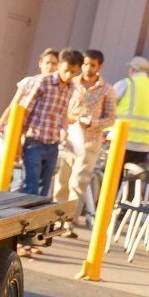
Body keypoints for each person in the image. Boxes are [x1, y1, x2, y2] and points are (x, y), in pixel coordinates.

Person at [51, 49, 115, 238]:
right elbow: (63, 109)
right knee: (61, 182)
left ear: (99, 67)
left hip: (90, 142)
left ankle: (67, 224)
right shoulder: (73, 83)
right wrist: (71, 118)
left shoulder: (106, 89)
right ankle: (55, 220)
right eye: (85, 64)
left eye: (92, 65)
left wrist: (92, 123)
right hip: (70, 139)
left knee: (77, 183)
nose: (88, 68)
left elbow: (111, 118)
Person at [18, 47, 82, 197]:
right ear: (59, 64)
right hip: (34, 140)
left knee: (43, 189)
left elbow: (64, 113)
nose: (68, 75)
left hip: (53, 143)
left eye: (73, 72)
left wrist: (64, 130)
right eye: (66, 70)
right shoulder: (42, 81)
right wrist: (18, 140)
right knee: (30, 186)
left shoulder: (71, 87)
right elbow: (25, 110)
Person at [0, 47, 60, 136]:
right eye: (47, 63)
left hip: (43, 133)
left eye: (54, 63)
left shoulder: (60, 87)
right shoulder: (29, 81)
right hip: (19, 126)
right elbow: (14, 104)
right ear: (40, 63)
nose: (50, 66)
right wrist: (0, 124)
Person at [111, 55, 149, 165]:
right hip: (146, 143)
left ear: (132, 69)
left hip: (122, 139)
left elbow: (107, 106)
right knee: (134, 178)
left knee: (112, 177)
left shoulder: (125, 84)